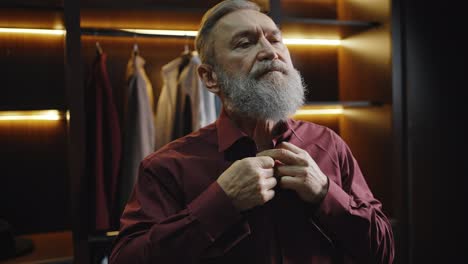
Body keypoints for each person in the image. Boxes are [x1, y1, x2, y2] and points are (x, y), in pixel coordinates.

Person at [109, 0, 395, 263]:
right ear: (210, 77)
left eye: (275, 39)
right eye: (245, 43)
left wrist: (325, 193)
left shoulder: (329, 146)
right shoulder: (167, 167)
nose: (270, 52)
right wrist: (220, 202)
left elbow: (382, 252)